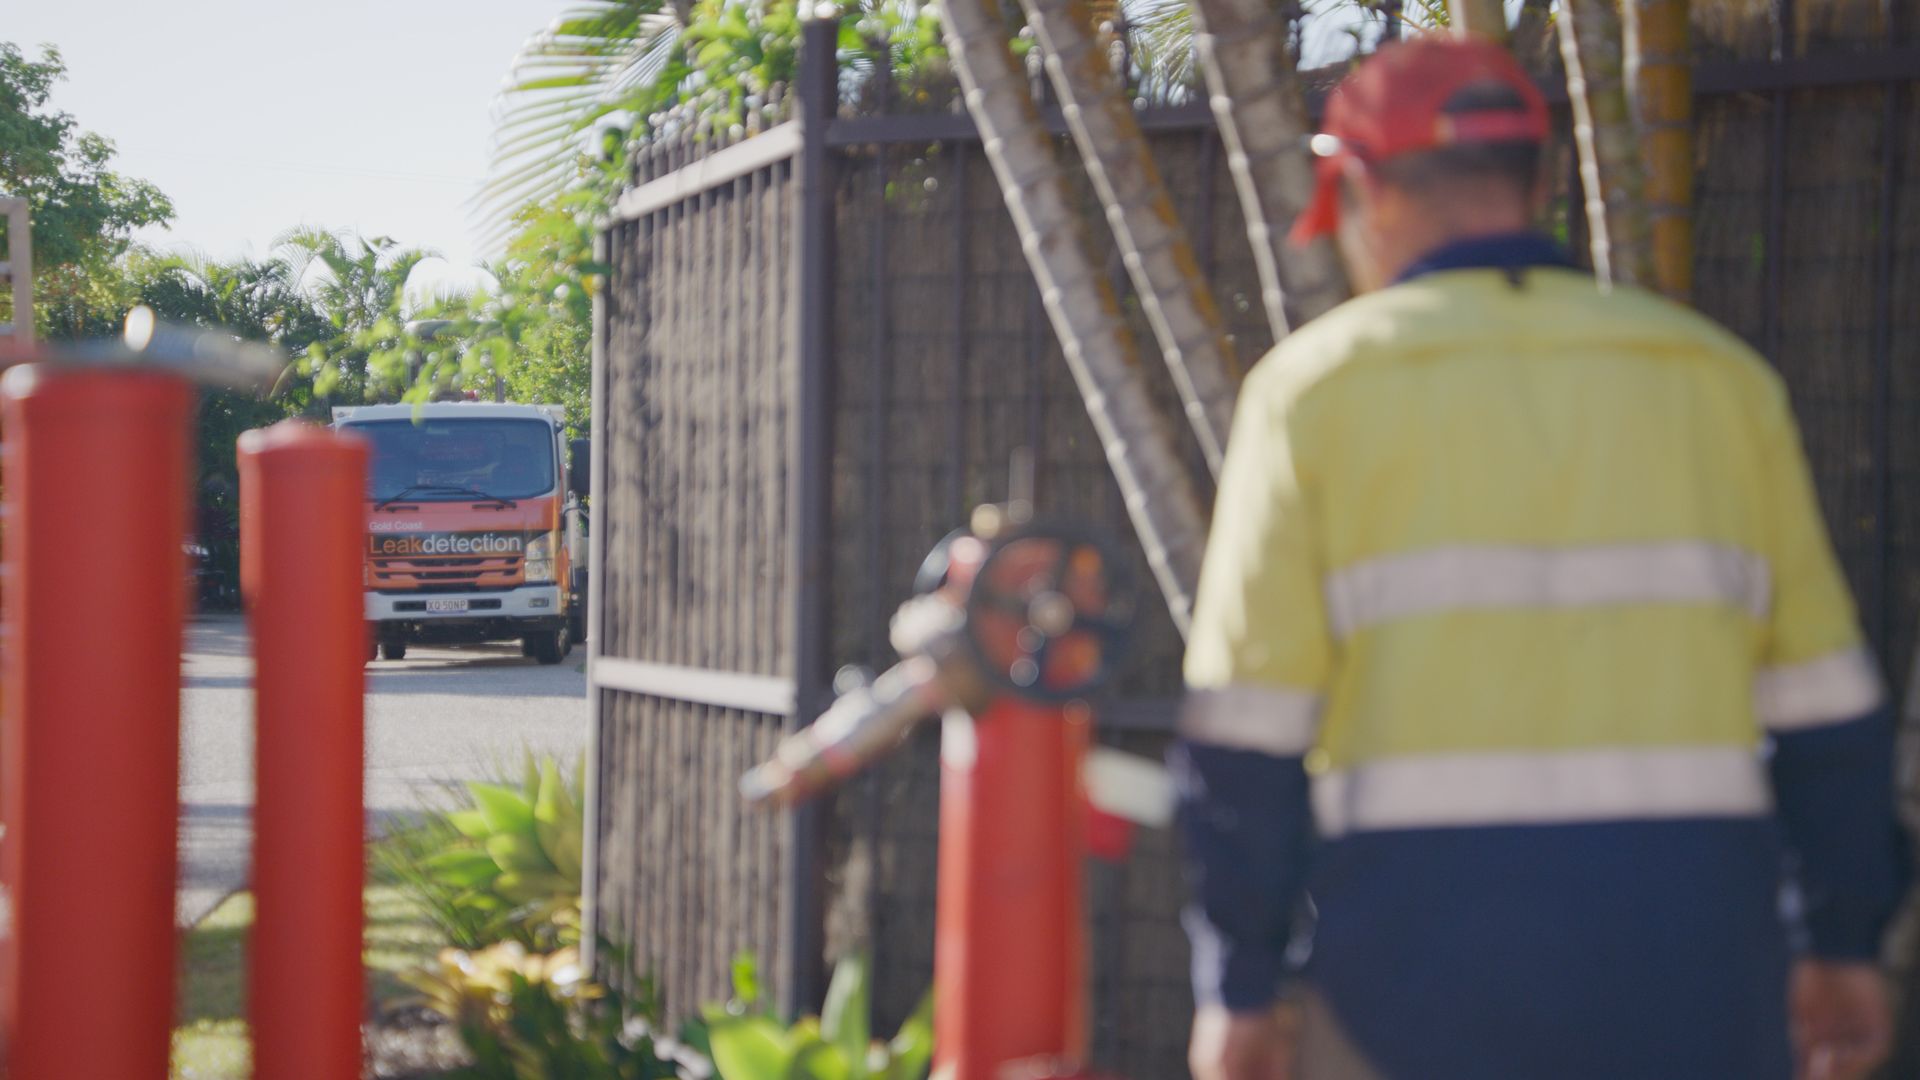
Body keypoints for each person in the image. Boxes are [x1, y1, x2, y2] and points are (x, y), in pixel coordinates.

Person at [1174, 36, 1910, 1080]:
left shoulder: (1314, 396)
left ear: (1366, 194)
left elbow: (1242, 742)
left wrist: (1240, 988)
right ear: (1547, 179)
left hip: (1412, 979)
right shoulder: (1716, 383)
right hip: (1697, 972)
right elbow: (1830, 716)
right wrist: (1841, 944)